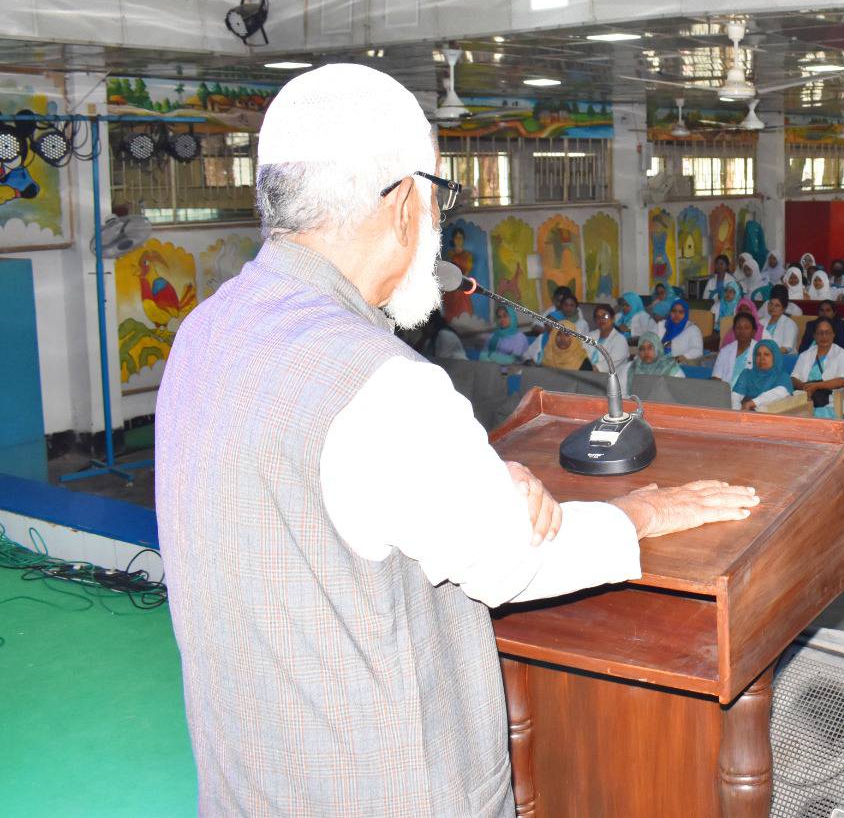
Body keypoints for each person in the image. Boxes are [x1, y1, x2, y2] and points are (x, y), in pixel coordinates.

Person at [153, 64, 757, 814]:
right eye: (440, 196)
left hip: (252, 783)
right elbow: (513, 562)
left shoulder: (206, 333)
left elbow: (317, 501)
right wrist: (644, 513)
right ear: (404, 201)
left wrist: (482, 482)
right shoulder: (381, 381)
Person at [792, 318, 844, 419]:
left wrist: (817, 386)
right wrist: (805, 388)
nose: (824, 336)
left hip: (832, 402)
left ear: (833, 334)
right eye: (820, 333)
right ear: (814, 336)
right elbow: (793, 378)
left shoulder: (842, 354)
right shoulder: (806, 354)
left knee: (807, 418)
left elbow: (843, 381)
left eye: (828, 332)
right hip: (805, 398)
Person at [711, 310, 760, 397]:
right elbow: (716, 377)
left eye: (746, 328)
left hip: (749, 397)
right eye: (738, 327)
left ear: (753, 331)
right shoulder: (725, 351)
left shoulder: (760, 351)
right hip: (724, 395)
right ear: (734, 330)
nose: (742, 331)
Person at [733, 341, 793, 411]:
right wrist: (737, 413)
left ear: (775, 357)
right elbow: (735, 397)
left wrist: (752, 403)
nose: (762, 358)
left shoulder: (782, 376)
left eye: (766, 354)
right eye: (758, 355)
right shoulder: (746, 374)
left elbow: (779, 393)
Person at [656, 298, 704, 363]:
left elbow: (698, 350)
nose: (677, 314)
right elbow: (651, 341)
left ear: (686, 313)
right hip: (658, 361)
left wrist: (682, 357)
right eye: (674, 311)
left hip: (678, 364)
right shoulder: (662, 325)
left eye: (681, 312)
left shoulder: (692, 329)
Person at [584, 303, 629, 373]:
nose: (601, 319)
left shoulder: (620, 340)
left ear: (613, 319)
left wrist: (584, 370)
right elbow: (581, 355)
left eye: (605, 316)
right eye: (598, 317)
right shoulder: (590, 335)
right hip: (587, 374)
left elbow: (606, 366)